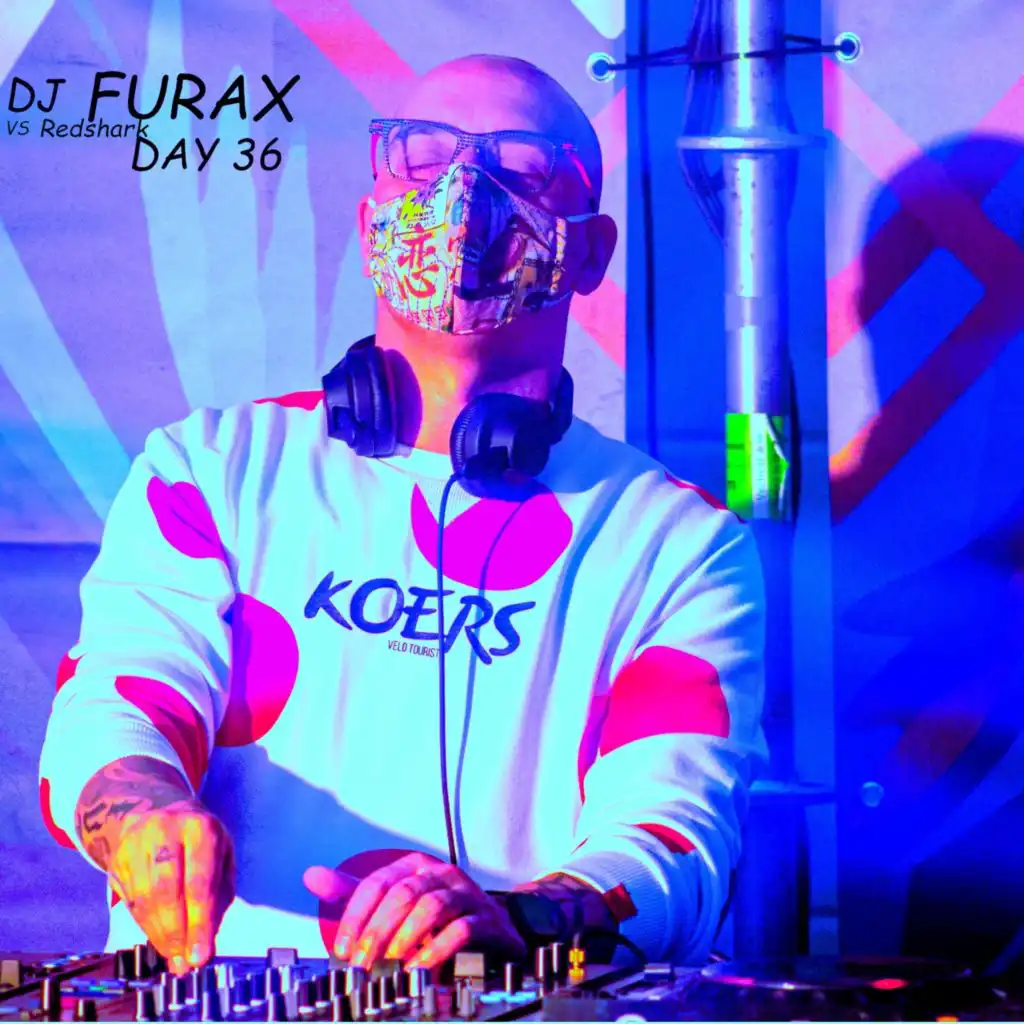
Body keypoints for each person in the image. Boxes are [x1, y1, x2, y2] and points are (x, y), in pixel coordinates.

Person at [39, 54, 766, 978]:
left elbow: (676, 836)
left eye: (522, 168)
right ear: (369, 221)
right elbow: (116, 707)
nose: (463, 196)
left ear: (589, 253)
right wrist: (144, 812)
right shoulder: (212, 469)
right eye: (422, 159)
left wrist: (516, 925)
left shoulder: (676, 544)